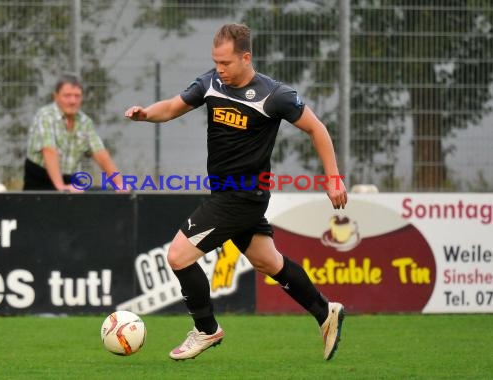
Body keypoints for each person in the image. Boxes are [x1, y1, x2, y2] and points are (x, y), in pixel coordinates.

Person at [125, 23, 348, 361]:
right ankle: (325, 312)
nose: (220, 69)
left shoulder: (275, 95)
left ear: (246, 57)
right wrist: (145, 115)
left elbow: (317, 129)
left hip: (242, 197)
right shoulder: (211, 83)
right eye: (216, 62)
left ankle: (206, 329)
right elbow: (171, 107)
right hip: (226, 193)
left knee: (177, 257)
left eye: (226, 63)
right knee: (267, 260)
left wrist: (333, 178)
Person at [23, 72, 124, 192]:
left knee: (105, 194)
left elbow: (100, 154)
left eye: (77, 96)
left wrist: (120, 185)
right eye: (67, 95)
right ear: (55, 96)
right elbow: (49, 151)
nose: (72, 101)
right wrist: (61, 188)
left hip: (69, 180)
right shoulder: (45, 116)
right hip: (39, 184)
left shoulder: (85, 122)